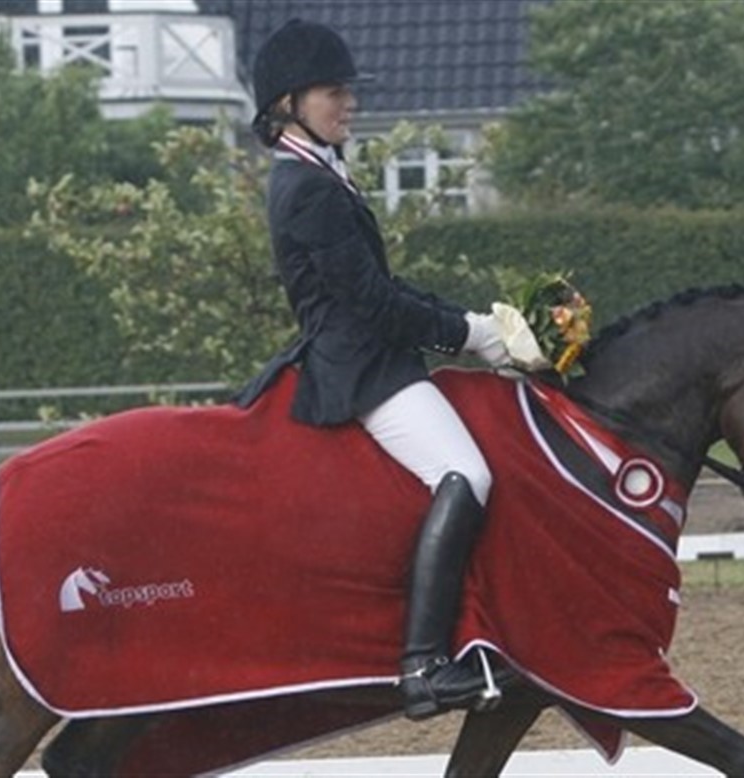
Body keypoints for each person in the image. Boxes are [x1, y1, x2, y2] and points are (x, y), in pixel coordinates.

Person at [234, 19, 514, 721]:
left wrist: (472, 323)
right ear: (289, 104)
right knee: (466, 474)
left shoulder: (321, 173)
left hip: (374, 353)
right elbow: (372, 304)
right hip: (360, 367)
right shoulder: (308, 187)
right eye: (334, 93)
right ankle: (423, 666)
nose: (350, 103)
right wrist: (469, 335)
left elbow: (383, 286)